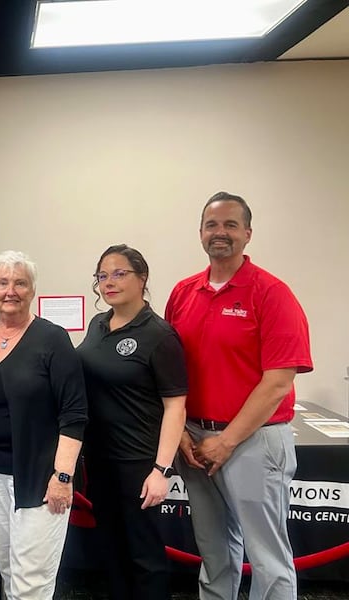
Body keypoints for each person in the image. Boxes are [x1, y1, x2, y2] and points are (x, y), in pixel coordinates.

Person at [165, 192, 313, 600]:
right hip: (195, 440)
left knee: (268, 558)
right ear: (200, 233)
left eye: (231, 225)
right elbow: (170, 373)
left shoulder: (271, 293)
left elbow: (278, 382)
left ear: (247, 234)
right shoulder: (182, 293)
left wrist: (226, 442)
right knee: (214, 551)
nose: (220, 233)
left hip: (254, 440)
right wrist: (180, 434)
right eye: (212, 225)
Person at [0, 250, 88, 600]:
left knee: (32, 581)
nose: (10, 290)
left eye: (20, 283)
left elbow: (74, 414)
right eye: (3, 282)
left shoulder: (52, 339)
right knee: (8, 571)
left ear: (32, 291)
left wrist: (63, 477)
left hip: (41, 480)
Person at [76, 244, 187, 600]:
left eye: (120, 273)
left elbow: (175, 407)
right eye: (102, 276)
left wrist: (161, 470)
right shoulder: (98, 325)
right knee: (112, 550)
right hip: (100, 460)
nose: (109, 282)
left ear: (143, 278)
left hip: (139, 464)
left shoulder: (159, 335)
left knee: (145, 556)